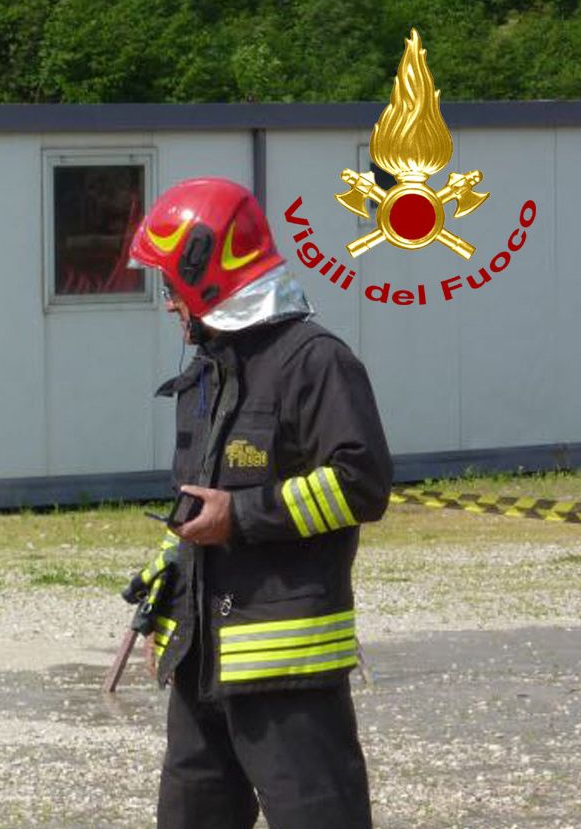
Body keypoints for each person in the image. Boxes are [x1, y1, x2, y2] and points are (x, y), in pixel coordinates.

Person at [123, 177, 394, 829]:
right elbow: (194, 507)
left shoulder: (314, 362)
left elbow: (363, 482)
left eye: (169, 286)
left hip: (286, 675)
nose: (166, 305)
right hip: (200, 663)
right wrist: (164, 594)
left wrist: (242, 517)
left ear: (206, 275)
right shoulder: (207, 373)